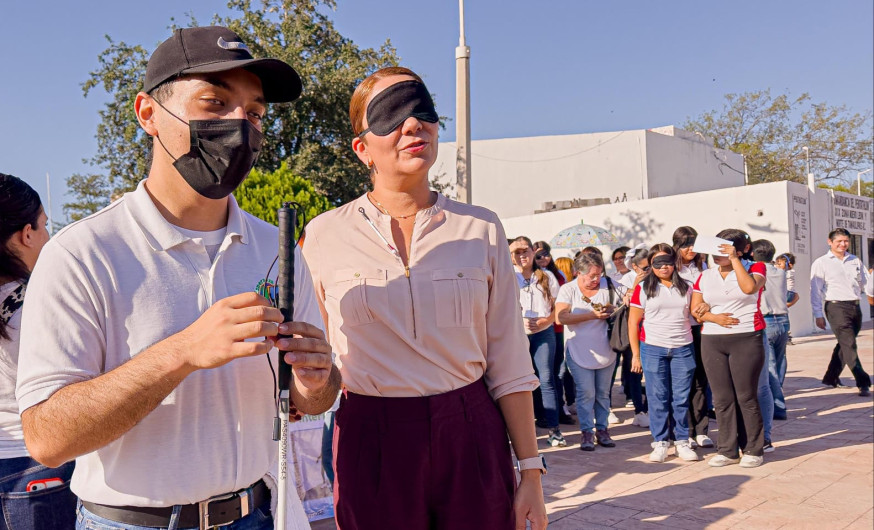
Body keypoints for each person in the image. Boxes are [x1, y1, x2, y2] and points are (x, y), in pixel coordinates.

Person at [16, 27, 339, 530]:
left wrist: (317, 378)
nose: (240, 125)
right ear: (149, 114)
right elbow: (47, 438)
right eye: (214, 103)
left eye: (255, 113)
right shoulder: (81, 253)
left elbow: (312, 401)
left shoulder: (274, 250)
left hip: (255, 513)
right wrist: (183, 351)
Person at [302, 67, 547, 529]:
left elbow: (510, 361)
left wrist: (530, 472)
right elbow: (311, 355)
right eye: (391, 115)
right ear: (362, 148)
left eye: (422, 110)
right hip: (370, 436)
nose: (413, 125)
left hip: (471, 429)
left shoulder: (481, 227)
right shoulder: (323, 235)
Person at [0, 174, 77, 529]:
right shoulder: (38, 303)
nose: (48, 237)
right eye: (45, 226)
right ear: (26, 233)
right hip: (37, 468)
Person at [692, 229, 767, 468]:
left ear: (738, 249)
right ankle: (727, 450)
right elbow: (696, 310)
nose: (717, 254)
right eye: (714, 249)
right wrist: (714, 318)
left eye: (722, 249)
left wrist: (734, 260)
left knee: (746, 396)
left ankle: (754, 448)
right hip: (713, 340)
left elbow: (748, 289)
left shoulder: (755, 268)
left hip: (746, 336)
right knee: (723, 398)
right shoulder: (705, 276)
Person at [628, 245, 699, 463]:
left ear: (675, 263)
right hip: (653, 348)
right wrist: (636, 355)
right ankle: (660, 441)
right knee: (657, 397)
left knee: (680, 398)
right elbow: (633, 321)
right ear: (651, 265)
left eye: (668, 261)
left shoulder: (687, 287)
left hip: (682, 348)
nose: (664, 267)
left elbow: (697, 312)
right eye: (658, 263)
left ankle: (681, 441)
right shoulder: (643, 288)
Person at [556, 252, 618, 451]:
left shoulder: (609, 285)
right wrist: (592, 315)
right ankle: (586, 432)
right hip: (579, 349)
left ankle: (602, 429)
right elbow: (561, 317)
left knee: (603, 393)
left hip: (606, 348)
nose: (596, 279)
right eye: (591, 275)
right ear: (578, 273)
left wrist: (612, 309)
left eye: (598, 274)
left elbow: (627, 300)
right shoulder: (568, 289)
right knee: (586, 393)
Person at [511, 237, 567, 446]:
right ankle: (523, 431)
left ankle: (554, 430)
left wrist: (546, 320)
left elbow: (559, 307)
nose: (522, 255)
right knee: (520, 381)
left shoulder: (547, 276)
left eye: (525, 251)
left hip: (544, 333)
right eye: (517, 252)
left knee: (546, 379)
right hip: (517, 335)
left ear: (533, 252)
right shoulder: (508, 277)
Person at [811, 228, 871, 396]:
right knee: (849, 344)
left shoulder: (855, 260)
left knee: (845, 344)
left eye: (846, 241)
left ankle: (831, 377)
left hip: (854, 306)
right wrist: (818, 314)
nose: (843, 244)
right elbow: (815, 291)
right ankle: (863, 381)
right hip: (836, 307)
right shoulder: (821, 263)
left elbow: (866, 282)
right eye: (839, 241)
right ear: (830, 242)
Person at [672, 226, 714, 449]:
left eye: (694, 245)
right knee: (682, 382)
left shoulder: (703, 267)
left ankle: (701, 429)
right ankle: (684, 430)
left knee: (701, 379)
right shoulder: (669, 269)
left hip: (700, 328)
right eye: (686, 244)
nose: (691, 250)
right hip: (678, 329)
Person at [752, 240, 797, 421]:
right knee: (779, 363)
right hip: (783, 320)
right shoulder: (780, 273)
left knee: (769, 367)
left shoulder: (755, 273)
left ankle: (778, 405)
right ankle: (776, 399)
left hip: (767, 319)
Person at [533, 241, 574, 425]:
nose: (543, 258)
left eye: (546, 254)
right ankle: (542, 412)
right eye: (539, 255)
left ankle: (560, 409)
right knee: (541, 373)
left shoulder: (557, 275)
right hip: (538, 328)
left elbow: (562, 301)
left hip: (556, 328)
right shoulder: (528, 277)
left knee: (558, 371)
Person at [554, 256, 578, 415]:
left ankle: (563, 403)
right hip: (565, 330)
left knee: (559, 370)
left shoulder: (560, 282)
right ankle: (570, 401)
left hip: (555, 330)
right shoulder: (565, 284)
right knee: (564, 369)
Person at [775, 252, 799, 344]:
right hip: (789, 293)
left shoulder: (789, 272)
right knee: (784, 313)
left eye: (779, 264)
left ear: (789, 265)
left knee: (782, 311)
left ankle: (787, 335)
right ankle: (787, 335)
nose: (777, 266)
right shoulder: (786, 272)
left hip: (788, 293)